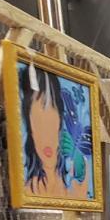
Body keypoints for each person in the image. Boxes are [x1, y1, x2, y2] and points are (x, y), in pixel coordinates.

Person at [20, 64, 90, 199]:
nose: (47, 138)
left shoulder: (70, 176)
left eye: (51, 123)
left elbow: (84, 192)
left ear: (60, 121)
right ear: (29, 128)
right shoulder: (28, 189)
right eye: (39, 123)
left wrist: (79, 162)